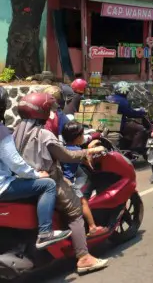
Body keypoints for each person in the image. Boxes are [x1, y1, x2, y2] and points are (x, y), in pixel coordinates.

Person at [13, 92, 108, 274]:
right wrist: (87, 152)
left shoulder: (17, 130)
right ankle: (84, 257)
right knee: (75, 211)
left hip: (24, 179)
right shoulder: (43, 134)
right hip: (48, 178)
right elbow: (66, 156)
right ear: (43, 111)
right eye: (49, 109)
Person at [0, 88, 71, 249]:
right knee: (48, 185)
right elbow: (15, 162)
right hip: (2, 187)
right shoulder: (2, 131)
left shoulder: (16, 128)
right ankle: (45, 232)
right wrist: (35, 174)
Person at [60, 121, 108, 238]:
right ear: (77, 138)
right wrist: (92, 148)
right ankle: (93, 227)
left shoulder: (63, 148)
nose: (83, 137)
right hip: (69, 182)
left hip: (61, 180)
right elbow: (89, 164)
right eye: (82, 135)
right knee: (83, 202)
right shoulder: (77, 150)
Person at [107, 82, 148, 153]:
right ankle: (133, 150)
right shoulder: (123, 101)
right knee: (141, 129)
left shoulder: (109, 98)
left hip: (107, 123)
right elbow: (130, 114)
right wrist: (141, 112)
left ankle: (126, 143)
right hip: (119, 125)